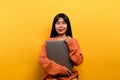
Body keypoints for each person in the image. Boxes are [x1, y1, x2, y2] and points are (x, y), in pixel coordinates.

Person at [38, 13, 83, 80]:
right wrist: (60, 70)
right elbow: (41, 60)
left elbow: (78, 61)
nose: (60, 26)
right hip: (52, 77)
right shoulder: (48, 42)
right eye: (58, 23)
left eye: (63, 23)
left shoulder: (73, 41)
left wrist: (71, 44)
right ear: (54, 25)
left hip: (70, 77)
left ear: (68, 25)